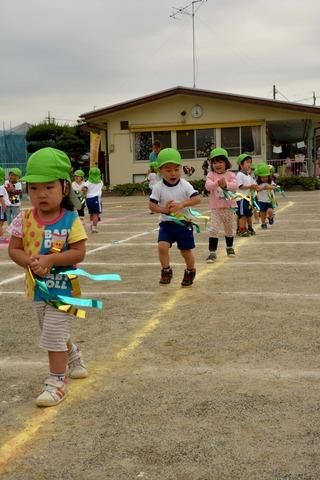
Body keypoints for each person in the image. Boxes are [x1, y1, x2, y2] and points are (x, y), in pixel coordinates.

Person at [8, 147, 88, 407]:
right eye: (34, 188)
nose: (41, 194)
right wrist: (30, 262)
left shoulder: (70, 219)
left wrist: (51, 259)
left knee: (53, 330)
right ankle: (73, 354)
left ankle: (56, 381)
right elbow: (14, 249)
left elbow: (79, 253)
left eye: (49, 187)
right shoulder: (24, 218)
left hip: (64, 287)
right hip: (37, 287)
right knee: (51, 330)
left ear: (64, 188)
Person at [149, 147, 201, 287]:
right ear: (160, 171)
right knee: (162, 247)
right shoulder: (158, 187)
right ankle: (166, 270)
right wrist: (164, 210)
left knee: (185, 251)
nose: (173, 173)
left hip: (183, 224)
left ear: (181, 169)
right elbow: (152, 205)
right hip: (167, 225)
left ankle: (190, 271)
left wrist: (182, 204)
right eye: (168, 169)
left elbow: (197, 199)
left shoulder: (185, 184)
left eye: (176, 169)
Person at [205, 148, 237, 262]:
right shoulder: (211, 174)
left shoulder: (231, 174)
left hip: (228, 208)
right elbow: (207, 186)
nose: (217, 165)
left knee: (229, 229)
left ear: (226, 163)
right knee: (213, 229)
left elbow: (235, 186)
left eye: (220, 162)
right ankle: (212, 252)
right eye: (214, 162)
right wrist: (216, 183)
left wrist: (226, 184)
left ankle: (229, 247)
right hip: (216, 209)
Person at [236, 153, 257, 237]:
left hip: (248, 198)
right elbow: (240, 186)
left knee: (248, 214)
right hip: (241, 198)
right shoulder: (240, 175)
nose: (249, 164)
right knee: (242, 215)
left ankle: (248, 228)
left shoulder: (248, 175)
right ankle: (241, 230)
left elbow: (255, 185)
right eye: (247, 162)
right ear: (241, 165)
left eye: (250, 162)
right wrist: (251, 186)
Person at [255, 163, 276, 229]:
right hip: (261, 200)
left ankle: (270, 217)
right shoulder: (257, 182)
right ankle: (263, 223)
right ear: (259, 177)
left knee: (270, 211)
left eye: (266, 177)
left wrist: (268, 186)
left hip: (269, 200)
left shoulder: (270, 182)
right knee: (262, 213)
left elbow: (274, 187)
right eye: (263, 177)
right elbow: (256, 189)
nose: (264, 179)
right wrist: (262, 188)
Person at [83, 167, 103, 233]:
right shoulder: (100, 182)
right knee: (96, 214)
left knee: (91, 213)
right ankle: (94, 227)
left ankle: (92, 225)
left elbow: (85, 189)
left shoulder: (87, 182)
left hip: (88, 199)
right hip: (96, 199)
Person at [0, 167, 9, 239]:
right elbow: (1, 197)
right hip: (0, 207)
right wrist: (4, 206)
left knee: (1, 222)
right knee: (1, 222)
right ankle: (1, 236)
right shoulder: (0, 186)